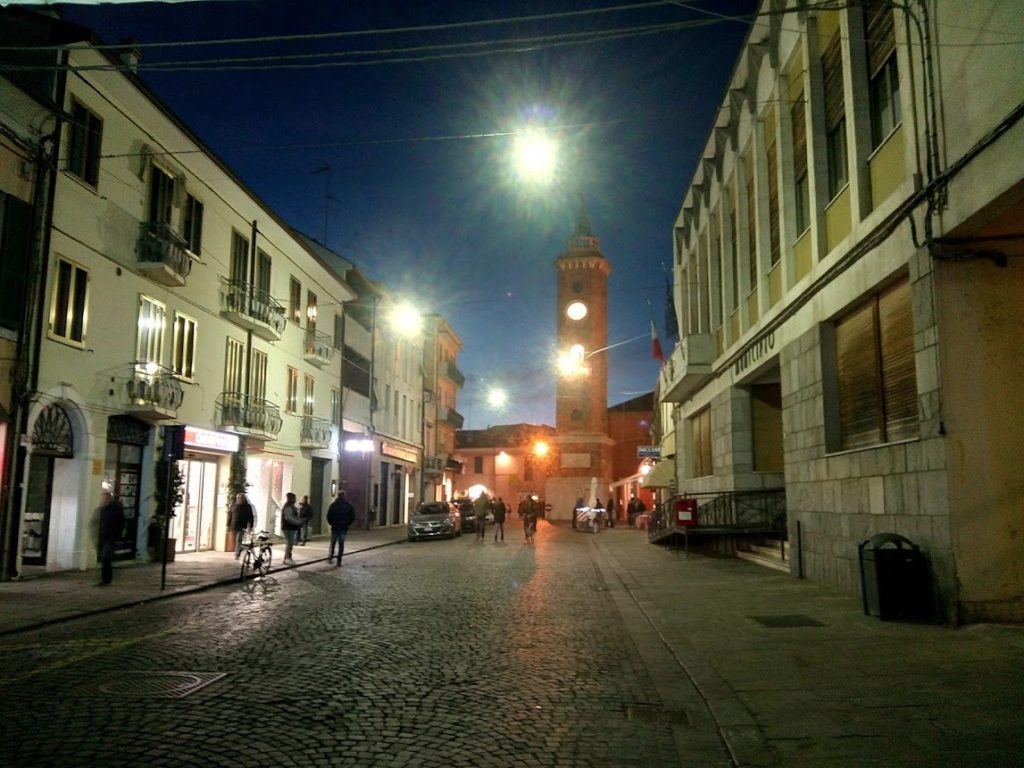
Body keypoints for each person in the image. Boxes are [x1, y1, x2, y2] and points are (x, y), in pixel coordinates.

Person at [96, 490, 125, 586]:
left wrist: (117, 534)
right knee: (105, 558)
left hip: (111, 537)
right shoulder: (103, 509)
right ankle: (106, 579)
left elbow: (121, 522)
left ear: (110, 498)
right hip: (104, 536)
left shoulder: (116, 508)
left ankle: (106, 579)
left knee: (106, 557)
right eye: (103, 498)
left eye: (106, 497)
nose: (104, 499)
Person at [326, 490, 356, 566]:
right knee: (341, 544)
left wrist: (332, 523)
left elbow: (329, 515)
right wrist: (347, 524)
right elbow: (352, 516)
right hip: (343, 527)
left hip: (335, 527)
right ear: (344, 496)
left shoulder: (334, 505)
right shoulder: (349, 505)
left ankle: (330, 557)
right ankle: (339, 560)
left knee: (333, 543)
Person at [230, 493, 255, 559]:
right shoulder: (234, 505)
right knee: (237, 541)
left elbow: (251, 517)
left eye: (240, 498)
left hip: (242, 527)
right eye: (238, 498)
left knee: (238, 540)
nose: (238, 499)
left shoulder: (247, 506)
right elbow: (230, 515)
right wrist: (228, 525)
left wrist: (250, 526)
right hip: (234, 526)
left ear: (244, 499)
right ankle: (240, 549)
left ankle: (237, 554)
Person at [281, 492, 303, 565]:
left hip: (289, 527)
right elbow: (288, 518)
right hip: (288, 527)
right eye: (294, 498)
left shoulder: (290, 506)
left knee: (289, 543)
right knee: (289, 543)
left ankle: (286, 558)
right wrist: (297, 522)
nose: (295, 500)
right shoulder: (288, 507)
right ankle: (288, 558)